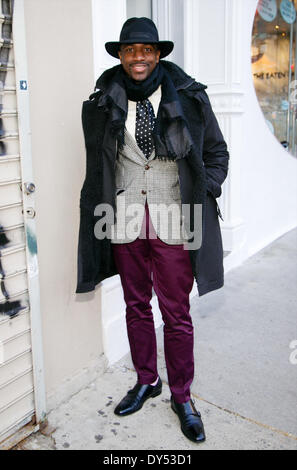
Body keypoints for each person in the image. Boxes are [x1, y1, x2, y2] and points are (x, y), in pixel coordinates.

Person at [76, 17, 229, 443]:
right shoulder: (104, 100)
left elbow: (217, 152)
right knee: (134, 304)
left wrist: (205, 188)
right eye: (130, 50)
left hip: (176, 217)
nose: (138, 57)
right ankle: (147, 379)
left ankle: (182, 396)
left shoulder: (189, 97)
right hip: (123, 217)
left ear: (157, 54)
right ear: (121, 56)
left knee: (176, 312)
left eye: (145, 50)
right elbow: (98, 161)